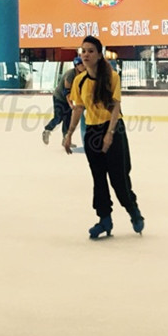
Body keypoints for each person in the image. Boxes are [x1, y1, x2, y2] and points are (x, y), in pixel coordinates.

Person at [64, 36, 144, 239]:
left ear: (99, 55)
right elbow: (78, 108)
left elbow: (116, 106)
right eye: (83, 51)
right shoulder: (79, 81)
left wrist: (109, 134)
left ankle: (133, 211)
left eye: (91, 51)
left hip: (114, 129)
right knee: (98, 179)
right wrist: (69, 133)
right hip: (92, 132)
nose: (86, 55)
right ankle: (104, 220)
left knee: (119, 179)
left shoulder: (111, 77)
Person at [42, 56, 84, 145]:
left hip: (68, 98)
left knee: (67, 119)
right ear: (76, 66)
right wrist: (70, 104)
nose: (83, 66)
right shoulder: (70, 74)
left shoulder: (82, 74)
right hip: (59, 97)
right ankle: (47, 130)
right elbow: (66, 91)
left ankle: (65, 140)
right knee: (58, 117)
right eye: (81, 64)